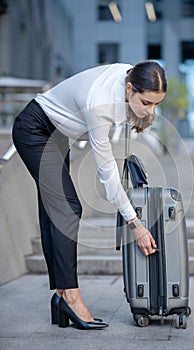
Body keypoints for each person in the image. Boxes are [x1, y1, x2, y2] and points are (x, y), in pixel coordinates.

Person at [12, 61, 167, 330]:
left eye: (156, 104)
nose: (150, 110)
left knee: (55, 210)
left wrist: (140, 114)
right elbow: (106, 171)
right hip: (35, 130)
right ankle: (70, 296)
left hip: (58, 135)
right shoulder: (101, 104)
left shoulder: (132, 74)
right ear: (129, 88)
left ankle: (61, 297)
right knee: (68, 208)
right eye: (146, 102)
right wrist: (135, 224)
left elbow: (133, 106)